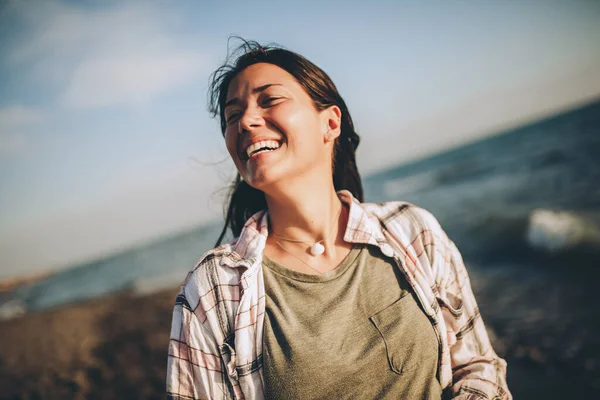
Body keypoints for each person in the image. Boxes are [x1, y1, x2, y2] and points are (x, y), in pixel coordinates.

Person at [166, 40, 511, 400]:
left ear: (330, 123)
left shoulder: (412, 231)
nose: (246, 122)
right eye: (232, 116)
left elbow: (478, 366)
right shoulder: (212, 290)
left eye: (269, 100)